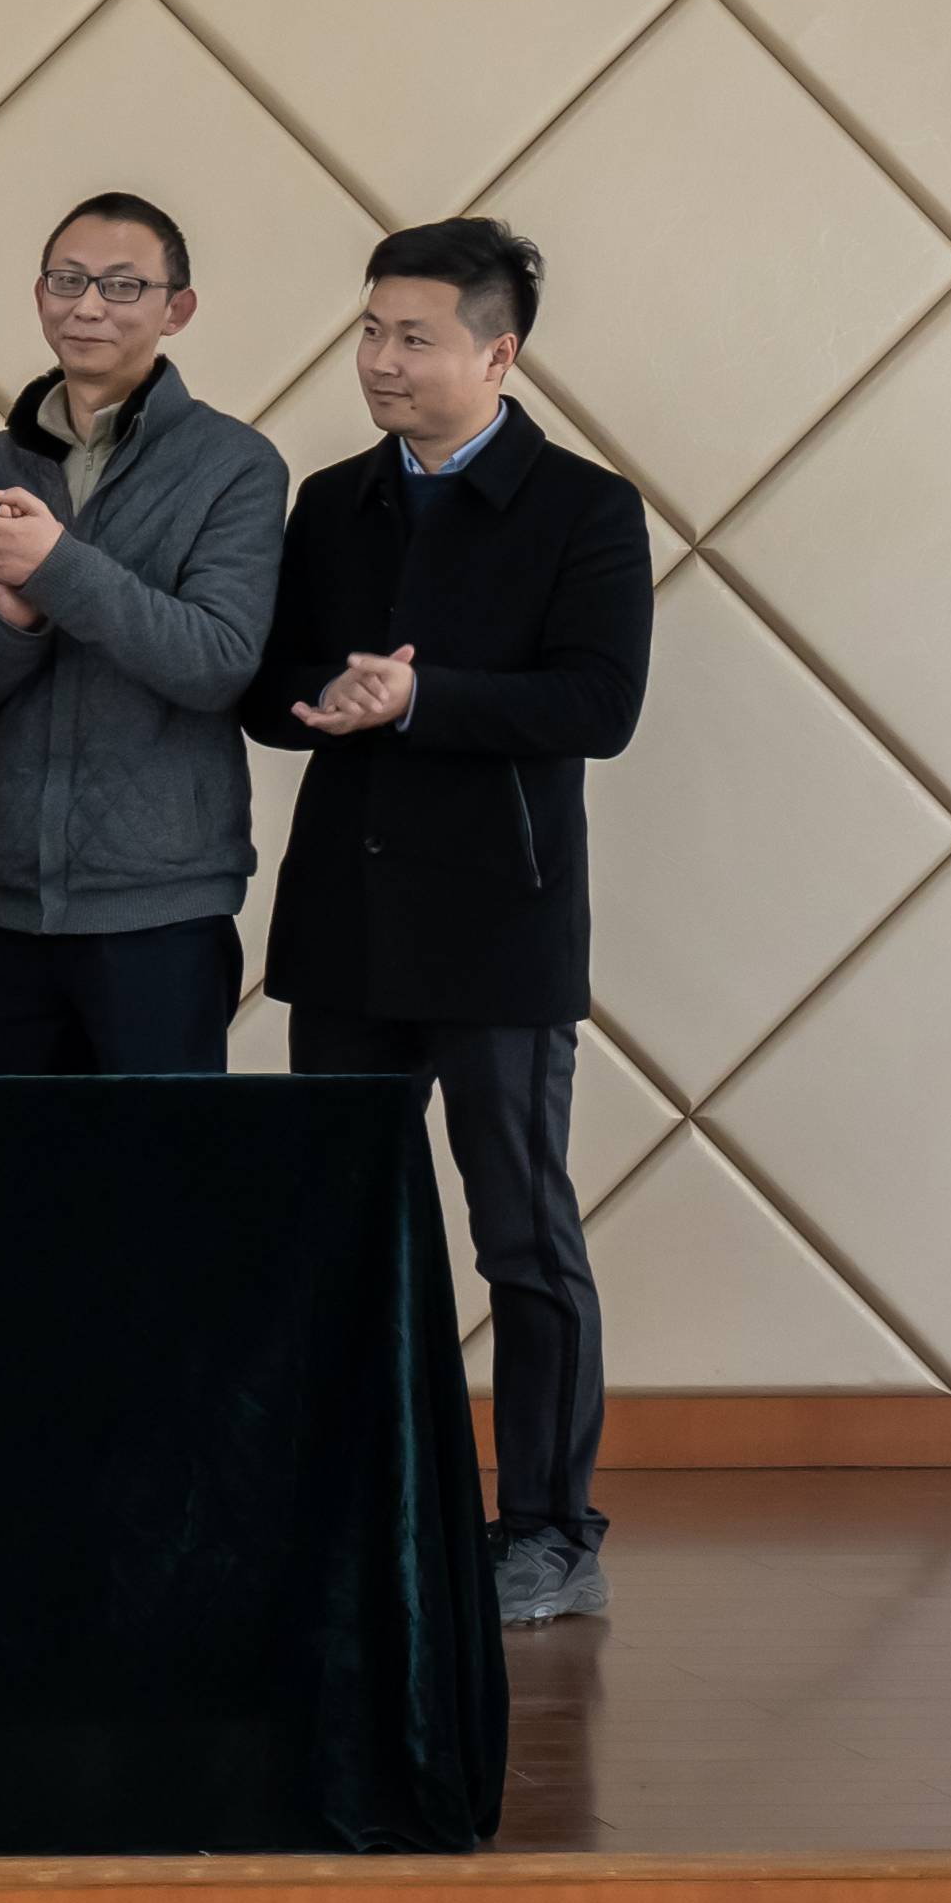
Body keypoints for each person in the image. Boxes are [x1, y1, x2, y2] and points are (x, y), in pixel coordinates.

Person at [252, 217, 652, 1629]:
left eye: (411, 337)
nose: (378, 360)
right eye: (369, 331)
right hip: (345, 923)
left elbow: (599, 703)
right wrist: (328, 697)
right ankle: (364, 1509)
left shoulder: (584, 507)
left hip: (500, 927)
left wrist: (422, 698)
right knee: (343, 1233)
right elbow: (271, 687)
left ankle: (549, 1528)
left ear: (497, 353)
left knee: (521, 1238)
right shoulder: (331, 500)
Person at [0, 196, 287, 1077]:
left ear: (176, 310)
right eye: (68, 281)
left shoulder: (234, 465)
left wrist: (55, 568)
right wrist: (13, 621)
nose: (88, 306)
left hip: (162, 906)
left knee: (156, 1164)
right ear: (39, 295)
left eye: (122, 286)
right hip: (1, 903)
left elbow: (217, 663)